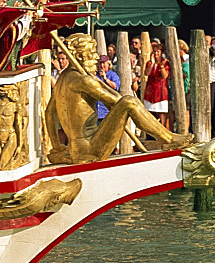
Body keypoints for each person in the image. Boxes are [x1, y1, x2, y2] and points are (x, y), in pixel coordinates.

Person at [45, 34, 192, 165]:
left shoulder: (62, 79)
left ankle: (167, 138)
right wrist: (98, 81)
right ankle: (168, 140)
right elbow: (117, 100)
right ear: (78, 57)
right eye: (91, 54)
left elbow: (49, 114)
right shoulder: (84, 80)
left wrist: (57, 147)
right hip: (90, 148)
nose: (96, 58)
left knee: (127, 102)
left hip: (76, 148)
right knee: (129, 101)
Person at [143, 41, 170, 127]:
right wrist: (152, 63)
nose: (156, 53)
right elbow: (146, 73)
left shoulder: (165, 63)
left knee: (161, 113)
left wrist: (161, 66)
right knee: (149, 113)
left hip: (161, 91)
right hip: (150, 91)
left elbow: (164, 76)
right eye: (154, 51)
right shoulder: (149, 63)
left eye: (158, 51)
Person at [95, 55, 120, 123]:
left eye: (103, 63)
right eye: (100, 63)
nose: (102, 65)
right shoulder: (96, 75)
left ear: (108, 64)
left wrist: (105, 79)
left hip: (107, 112)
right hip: (96, 113)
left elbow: (115, 86)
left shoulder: (112, 75)